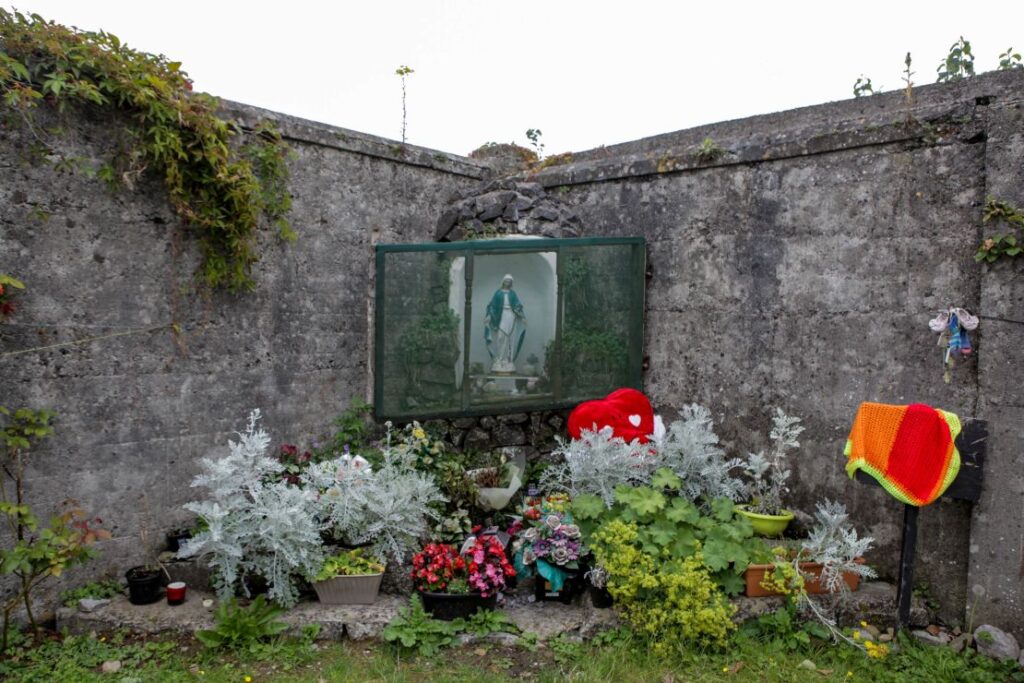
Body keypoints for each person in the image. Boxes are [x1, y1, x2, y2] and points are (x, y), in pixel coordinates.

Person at [484, 274, 527, 373]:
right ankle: (499, 358)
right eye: (506, 281)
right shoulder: (498, 293)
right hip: (501, 315)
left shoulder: (512, 294)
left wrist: (522, 315)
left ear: (511, 283)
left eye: (509, 281)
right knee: (500, 337)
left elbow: (517, 305)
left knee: (510, 338)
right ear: (503, 281)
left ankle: (508, 360)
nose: (507, 283)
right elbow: (492, 306)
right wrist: (489, 316)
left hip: (511, 316)